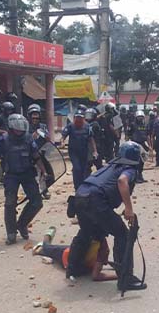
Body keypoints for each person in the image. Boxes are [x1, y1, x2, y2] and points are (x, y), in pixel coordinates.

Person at [66, 141, 146, 291]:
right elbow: (122, 182)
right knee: (122, 234)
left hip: (80, 197)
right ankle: (125, 279)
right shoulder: (129, 169)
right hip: (96, 201)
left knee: (87, 233)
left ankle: (73, 268)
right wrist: (129, 209)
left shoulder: (110, 166)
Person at [0, 114, 45, 245]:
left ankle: (22, 224)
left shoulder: (28, 139)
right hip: (11, 175)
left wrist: (43, 170)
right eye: (17, 129)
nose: (20, 131)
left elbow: (36, 156)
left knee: (37, 202)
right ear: (11, 128)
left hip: (27, 174)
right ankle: (11, 232)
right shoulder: (4, 140)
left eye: (22, 129)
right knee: (10, 203)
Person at [33, 227, 116, 282]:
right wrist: (117, 276)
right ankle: (45, 238)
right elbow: (96, 276)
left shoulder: (85, 236)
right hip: (67, 257)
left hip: (71, 256)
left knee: (51, 248)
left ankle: (47, 238)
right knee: (47, 247)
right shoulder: (102, 244)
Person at [62, 109, 98, 190]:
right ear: (74, 118)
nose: (78, 120)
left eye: (80, 118)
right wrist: (62, 141)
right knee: (77, 168)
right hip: (73, 152)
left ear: (83, 118)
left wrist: (95, 151)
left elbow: (91, 139)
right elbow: (64, 135)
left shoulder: (87, 127)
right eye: (77, 118)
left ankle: (83, 187)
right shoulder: (70, 126)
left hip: (84, 152)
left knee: (84, 170)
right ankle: (77, 187)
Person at [129, 111, 150, 183]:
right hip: (135, 144)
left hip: (143, 144)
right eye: (139, 117)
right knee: (136, 162)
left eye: (141, 117)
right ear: (136, 117)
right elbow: (128, 134)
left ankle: (140, 176)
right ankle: (136, 177)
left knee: (142, 161)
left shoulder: (145, 125)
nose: (140, 118)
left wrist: (149, 145)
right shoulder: (132, 125)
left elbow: (147, 136)